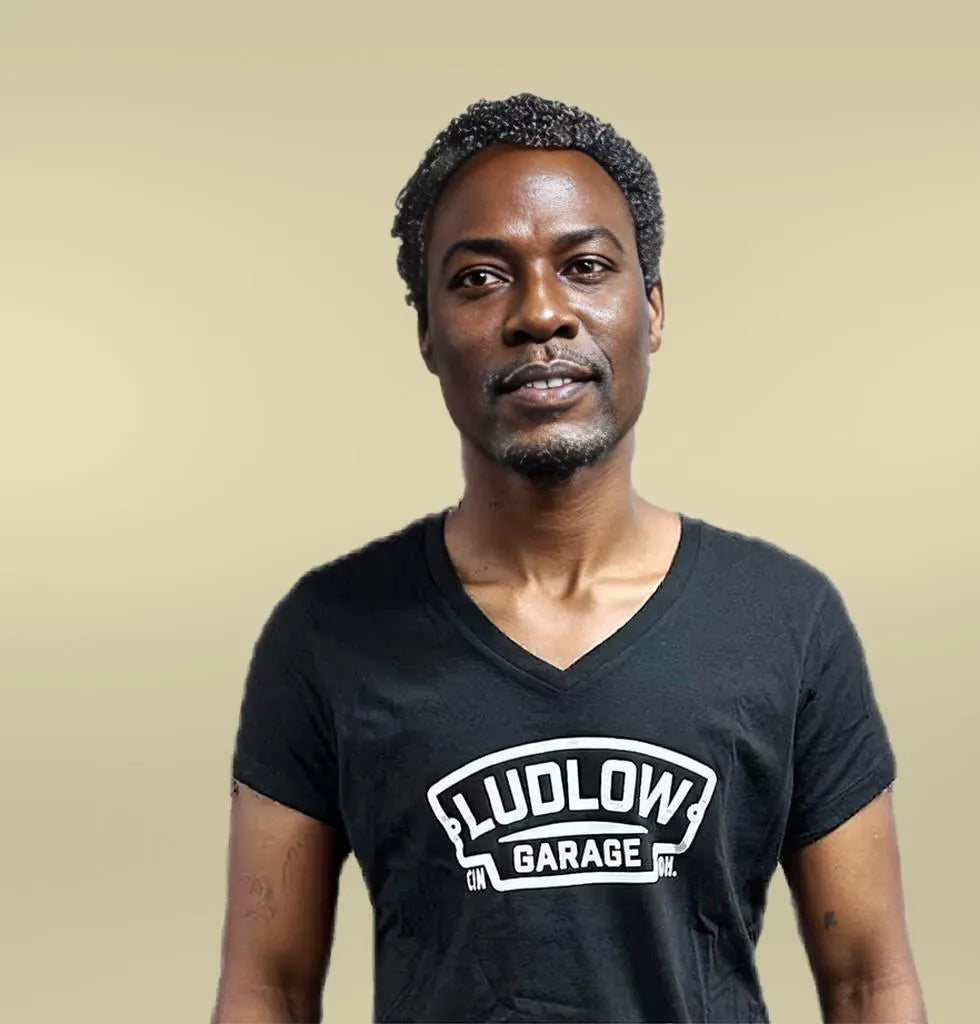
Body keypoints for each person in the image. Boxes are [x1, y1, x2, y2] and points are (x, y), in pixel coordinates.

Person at [211, 93, 925, 1024]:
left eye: (585, 267)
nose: (541, 312)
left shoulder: (785, 619)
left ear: (652, 309)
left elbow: (869, 979)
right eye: (479, 278)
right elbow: (267, 986)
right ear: (426, 332)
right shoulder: (328, 631)